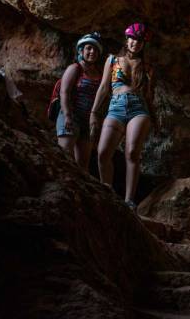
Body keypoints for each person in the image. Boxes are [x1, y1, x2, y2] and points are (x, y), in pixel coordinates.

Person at [90, 23, 155, 211]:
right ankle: (107, 192)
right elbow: (103, 87)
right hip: (116, 107)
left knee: (133, 152)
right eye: (133, 39)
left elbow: (149, 96)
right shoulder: (112, 60)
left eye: (140, 41)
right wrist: (94, 113)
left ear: (143, 44)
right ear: (127, 39)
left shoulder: (147, 67)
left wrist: (155, 118)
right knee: (102, 153)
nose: (136, 43)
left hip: (138, 108)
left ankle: (129, 201)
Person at [57, 33, 103, 171]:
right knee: (65, 158)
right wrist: (67, 116)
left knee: (83, 166)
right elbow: (64, 92)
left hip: (88, 121)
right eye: (89, 48)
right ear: (81, 50)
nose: (92, 52)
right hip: (71, 116)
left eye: (95, 50)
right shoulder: (74, 69)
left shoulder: (99, 73)